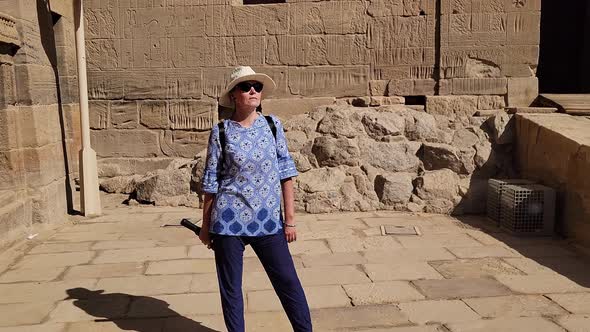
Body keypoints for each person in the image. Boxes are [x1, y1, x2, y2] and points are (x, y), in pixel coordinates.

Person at [199, 66, 312, 332]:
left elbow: (286, 174)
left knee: (288, 283)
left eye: (257, 87)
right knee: (231, 291)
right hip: (228, 223)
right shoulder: (221, 131)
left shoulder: (273, 126)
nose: (252, 90)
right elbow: (211, 182)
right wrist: (205, 227)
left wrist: (291, 221)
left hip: (268, 221)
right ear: (234, 95)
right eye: (245, 86)